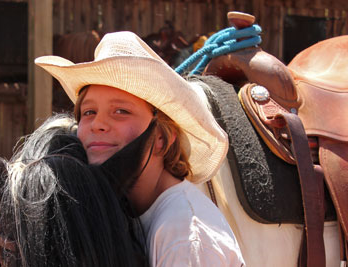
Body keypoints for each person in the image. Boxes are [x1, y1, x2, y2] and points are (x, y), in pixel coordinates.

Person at [35, 31, 245, 266]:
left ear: (161, 140)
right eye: (89, 112)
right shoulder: (132, 211)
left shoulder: (185, 238)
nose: (98, 124)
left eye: (121, 111)